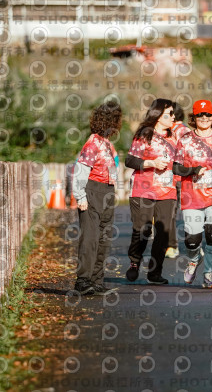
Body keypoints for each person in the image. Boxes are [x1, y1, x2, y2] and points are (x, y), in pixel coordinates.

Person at [174, 100, 212, 288]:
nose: (204, 118)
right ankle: (194, 259)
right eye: (200, 115)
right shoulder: (185, 140)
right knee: (192, 240)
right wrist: (193, 170)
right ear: (194, 118)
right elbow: (176, 167)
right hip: (191, 195)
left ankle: (210, 274)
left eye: (207, 114)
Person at [71, 101, 123, 295]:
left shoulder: (108, 145)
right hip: (92, 190)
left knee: (103, 238)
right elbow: (81, 170)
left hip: (107, 192)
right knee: (90, 238)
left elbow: (113, 169)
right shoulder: (93, 143)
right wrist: (80, 196)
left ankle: (97, 280)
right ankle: (83, 280)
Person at [124, 99, 178, 284]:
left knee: (164, 232)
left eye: (173, 113)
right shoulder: (145, 135)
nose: (173, 117)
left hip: (167, 191)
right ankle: (134, 262)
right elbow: (130, 160)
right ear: (158, 115)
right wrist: (151, 163)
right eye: (170, 114)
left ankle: (155, 273)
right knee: (143, 230)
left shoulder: (174, 137)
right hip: (143, 190)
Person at [165, 103, 191, 259]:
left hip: (175, 177)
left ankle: (172, 246)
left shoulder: (173, 132)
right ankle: (194, 245)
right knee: (190, 212)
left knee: (170, 213)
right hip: (186, 176)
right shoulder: (187, 131)